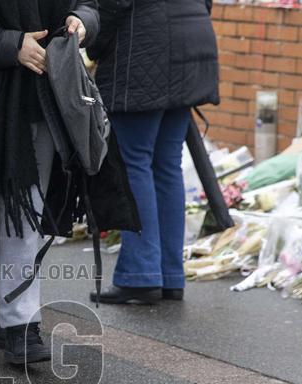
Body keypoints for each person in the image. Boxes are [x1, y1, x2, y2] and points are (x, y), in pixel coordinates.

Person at [0, 0, 99, 365]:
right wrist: (12, 45)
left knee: (19, 213)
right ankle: (13, 321)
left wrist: (81, 21)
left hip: (49, 98)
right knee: (6, 212)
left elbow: (90, 5)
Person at [88, 0, 219, 305]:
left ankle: (141, 275)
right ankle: (170, 274)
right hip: (192, 42)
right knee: (166, 163)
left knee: (134, 161)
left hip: (146, 49)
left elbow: (110, 5)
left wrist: (93, 42)